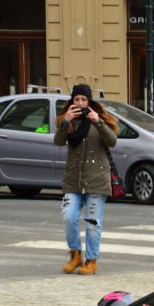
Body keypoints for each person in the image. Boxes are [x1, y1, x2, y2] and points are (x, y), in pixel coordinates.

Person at [54, 84, 118, 275]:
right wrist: (66, 122)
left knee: (92, 222)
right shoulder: (67, 121)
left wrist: (98, 122)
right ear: (71, 102)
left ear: (89, 101)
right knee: (69, 216)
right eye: (76, 100)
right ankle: (75, 255)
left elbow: (112, 141)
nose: (80, 103)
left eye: (84, 99)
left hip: (97, 179)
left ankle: (91, 261)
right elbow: (58, 141)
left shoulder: (99, 119)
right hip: (73, 180)